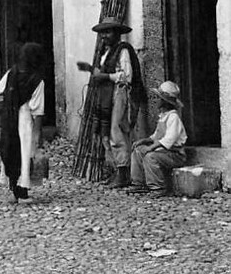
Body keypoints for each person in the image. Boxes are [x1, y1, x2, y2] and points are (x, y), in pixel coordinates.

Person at [77, 16, 146, 189]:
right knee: (107, 133)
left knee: (117, 132)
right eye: (102, 33)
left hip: (119, 93)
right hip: (107, 95)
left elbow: (126, 76)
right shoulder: (107, 52)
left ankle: (124, 174)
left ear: (117, 34)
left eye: (108, 32)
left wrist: (104, 76)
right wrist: (90, 69)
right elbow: (104, 72)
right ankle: (119, 170)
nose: (104, 36)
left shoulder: (123, 51)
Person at [0, 41, 45, 202]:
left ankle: (13, 186)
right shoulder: (37, 81)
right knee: (25, 152)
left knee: (9, 149)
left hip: (9, 116)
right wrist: (38, 133)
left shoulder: (11, 72)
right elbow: (38, 110)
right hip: (25, 118)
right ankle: (22, 191)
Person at [127, 81, 188, 198]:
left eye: (158, 98)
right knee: (138, 150)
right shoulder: (163, 117)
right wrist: (144, 141)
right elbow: (156, 136)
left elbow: (168, 140)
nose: (156, 101)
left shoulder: (173, 117)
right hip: (163, 152)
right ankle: (138, 183)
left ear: (165, 102)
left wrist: (151, 148)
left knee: (150, 157)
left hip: (175, 155)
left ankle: (158, 187)